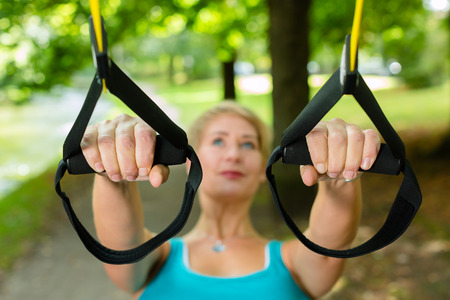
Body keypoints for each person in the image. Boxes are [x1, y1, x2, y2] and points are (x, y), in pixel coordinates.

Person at [80, 101, 381, 299]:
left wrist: (340, 171)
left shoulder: (293, 264)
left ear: (264, 168)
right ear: (190, 162)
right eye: (218, 140)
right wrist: (111, 168)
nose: (233, 154)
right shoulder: (155, 260)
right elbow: (121, 245)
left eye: (248, 144)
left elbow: (330, 244)